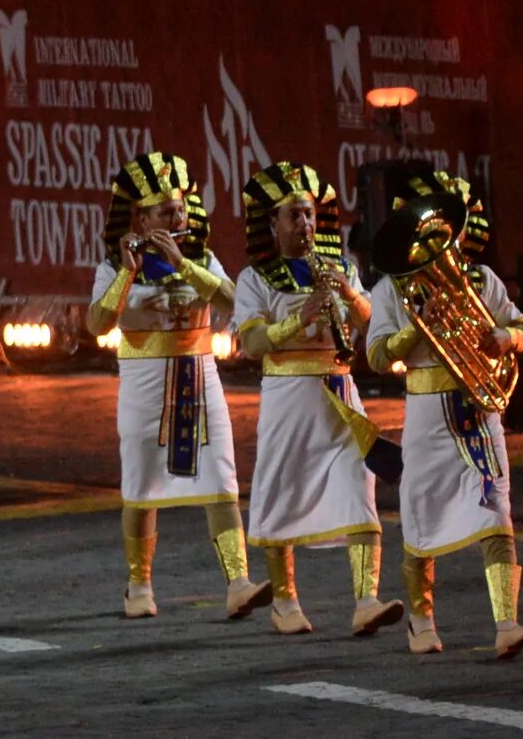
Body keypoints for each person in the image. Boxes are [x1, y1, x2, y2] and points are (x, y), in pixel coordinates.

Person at [363, 170, 523, 659]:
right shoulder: (389, 291)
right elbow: (377, 355)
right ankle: (421, 622)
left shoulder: (482, 279)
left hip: (478, 413)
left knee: (496, 510)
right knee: (421, 514)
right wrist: (418, 328)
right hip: (425, 413)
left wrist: (508, 338)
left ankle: (506, 622)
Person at [88, 153, 265, 621]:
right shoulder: (115, 265)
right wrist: (128, 273)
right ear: (142, 218)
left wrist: (184, 267)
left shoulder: (201, 258)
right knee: (142, 484)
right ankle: (138, 585)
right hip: (145, 383)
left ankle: (238, 582)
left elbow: (234, 302)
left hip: (199, 375)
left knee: (221, 480)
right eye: (166, 211)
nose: (179, 217)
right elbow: (97, 322)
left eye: (182, 208)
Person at [230, 164, 401, 638]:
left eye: (309, 215)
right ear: (272, 225)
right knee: (281, 490)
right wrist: (297, 321)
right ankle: (285, 602)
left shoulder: (340, 267)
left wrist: (349, 292)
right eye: (293, 216)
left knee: (359, 483)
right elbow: (252, 342)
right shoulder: (255, 278)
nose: (305, 224)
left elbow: (370, 323)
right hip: (289, 396)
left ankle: (365, 599)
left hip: (341, 393)